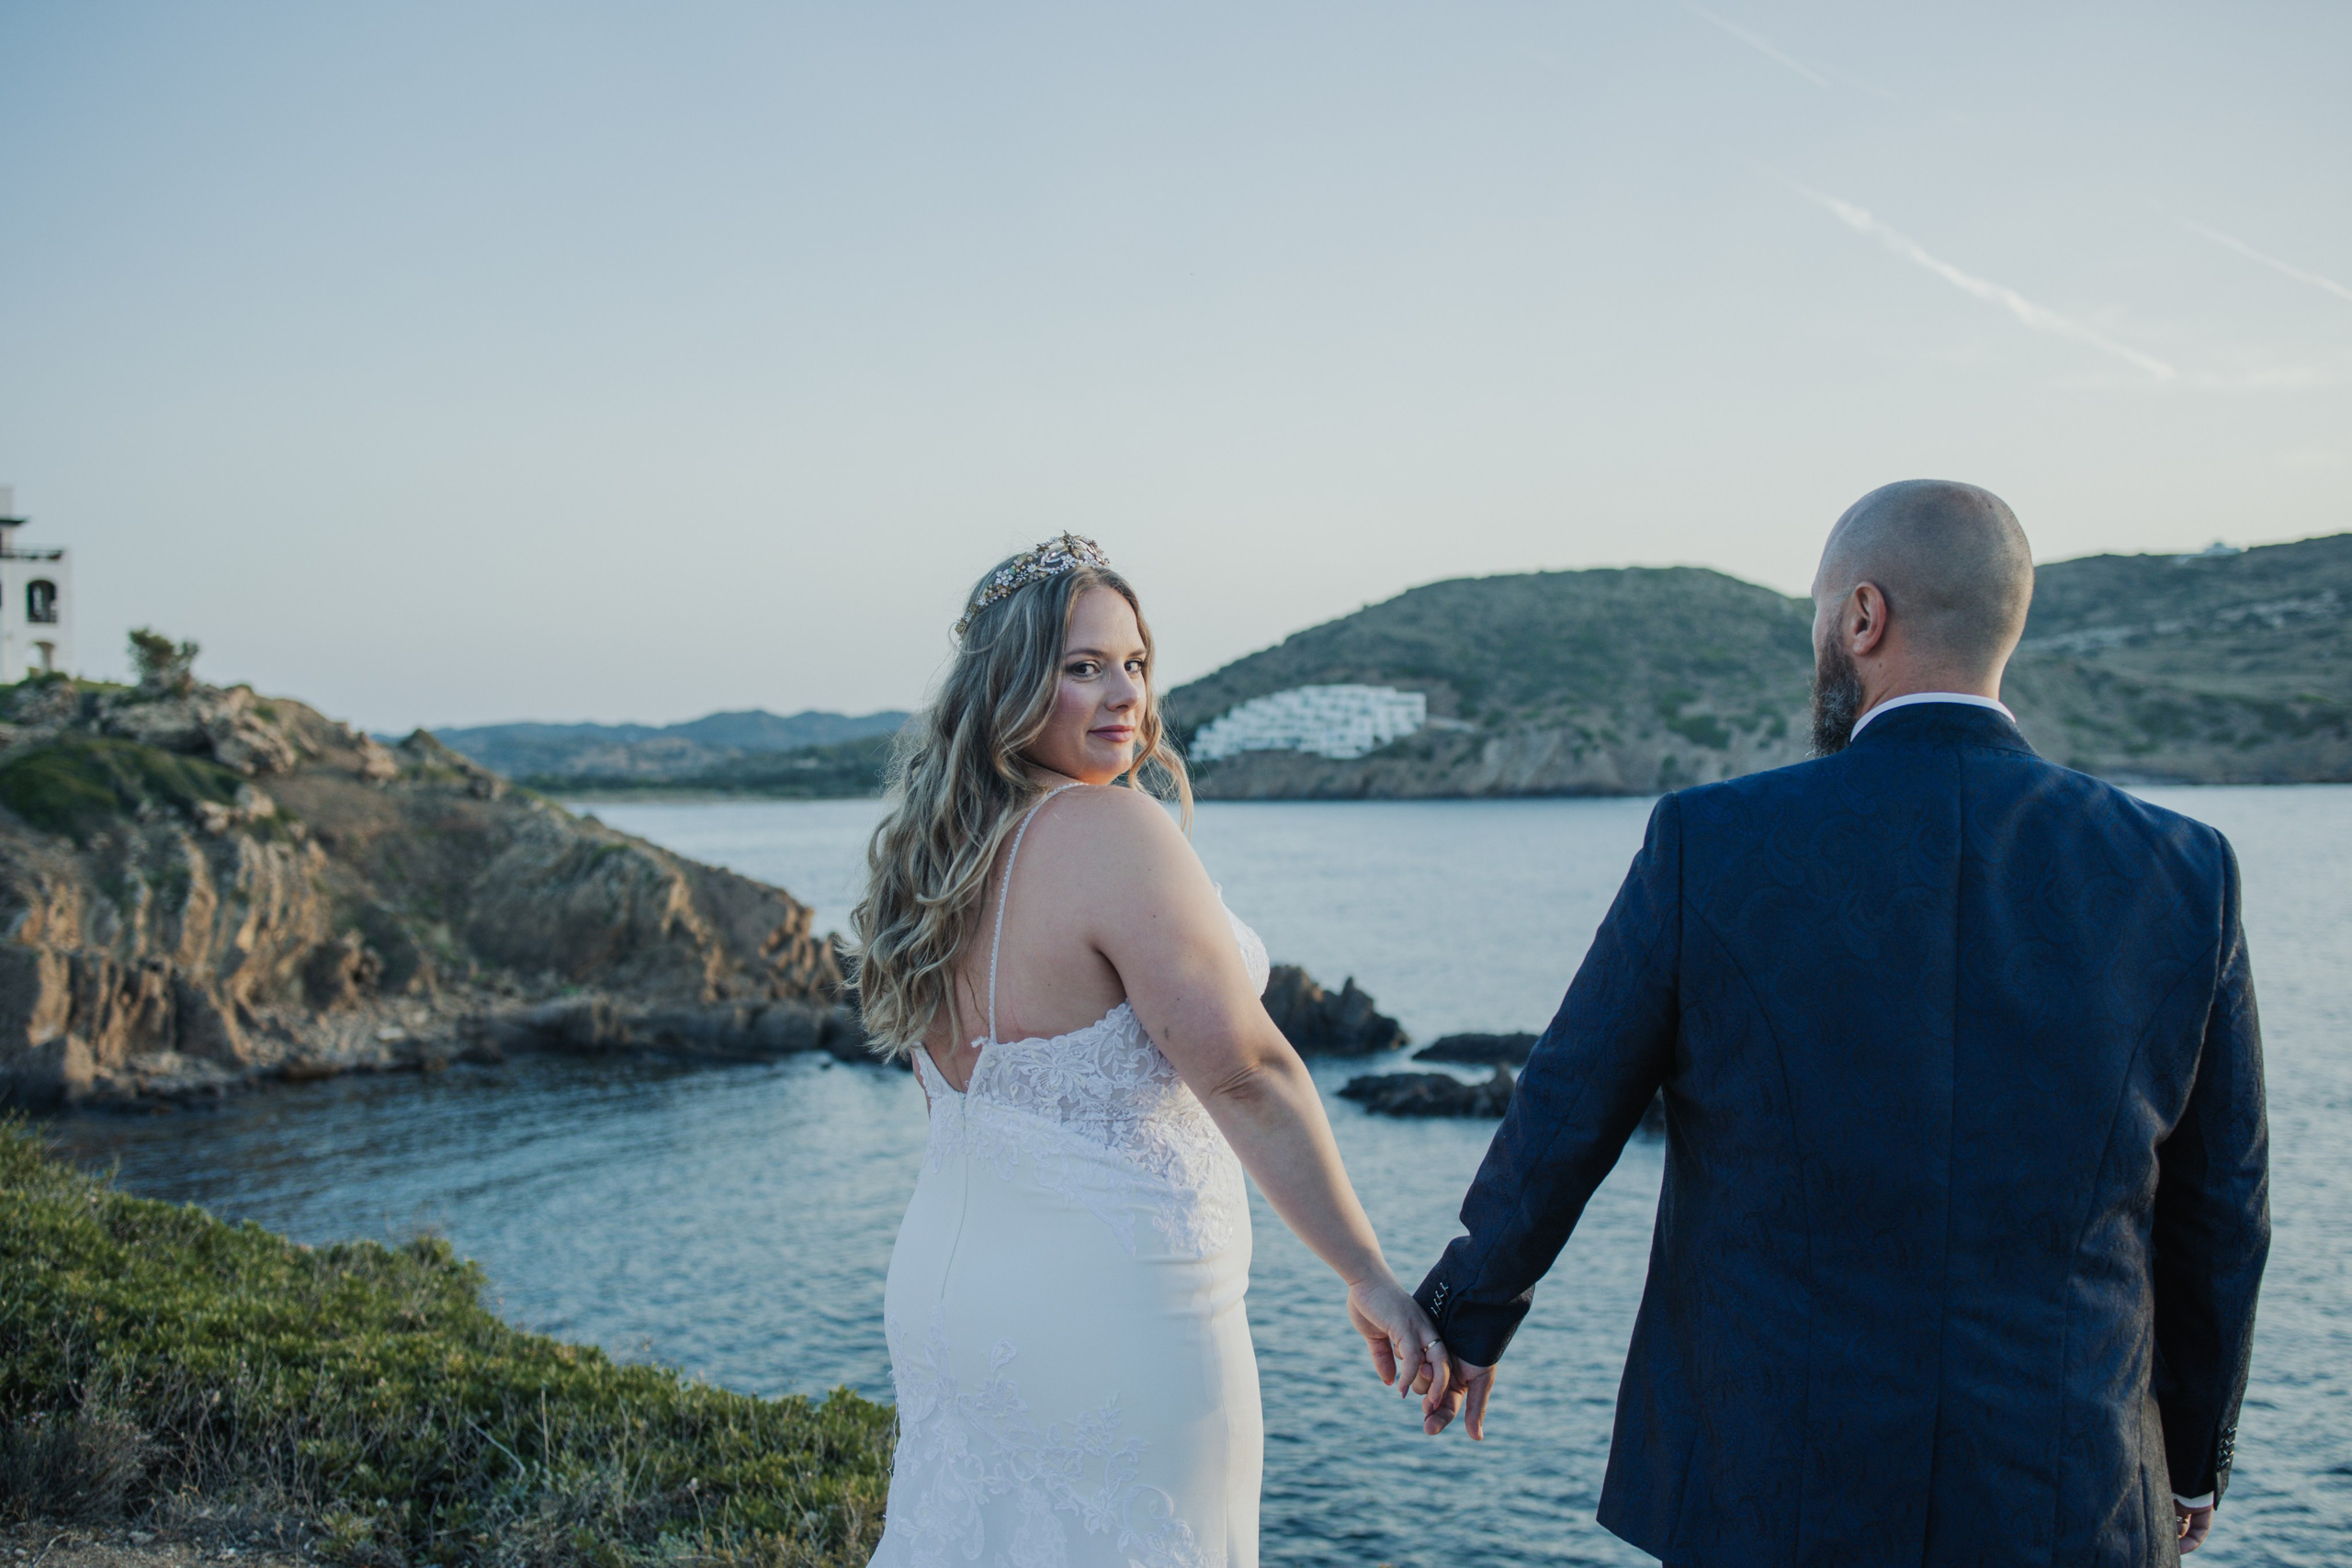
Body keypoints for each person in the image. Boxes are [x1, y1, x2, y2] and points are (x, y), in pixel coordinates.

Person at [1413, 481, 2270, 1566]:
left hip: (1765, 1488)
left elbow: (1567, 1109)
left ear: (1862, 617)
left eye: (1819, 618)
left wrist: (1467, 1314)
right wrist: (2191, 1453)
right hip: (2067, 1495)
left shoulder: (1711, 842)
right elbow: (2222, 1209)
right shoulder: (2184, 873)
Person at [855, 533, 1449, 1568]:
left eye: (1135, 663)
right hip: (1112, 1311)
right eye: (1083, 667)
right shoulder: (1109, 831)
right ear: (1010, 683)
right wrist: (1367, 1272)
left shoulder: (938, 860)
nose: (1123, 694)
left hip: (952, 1303)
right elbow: (1243, 1070)